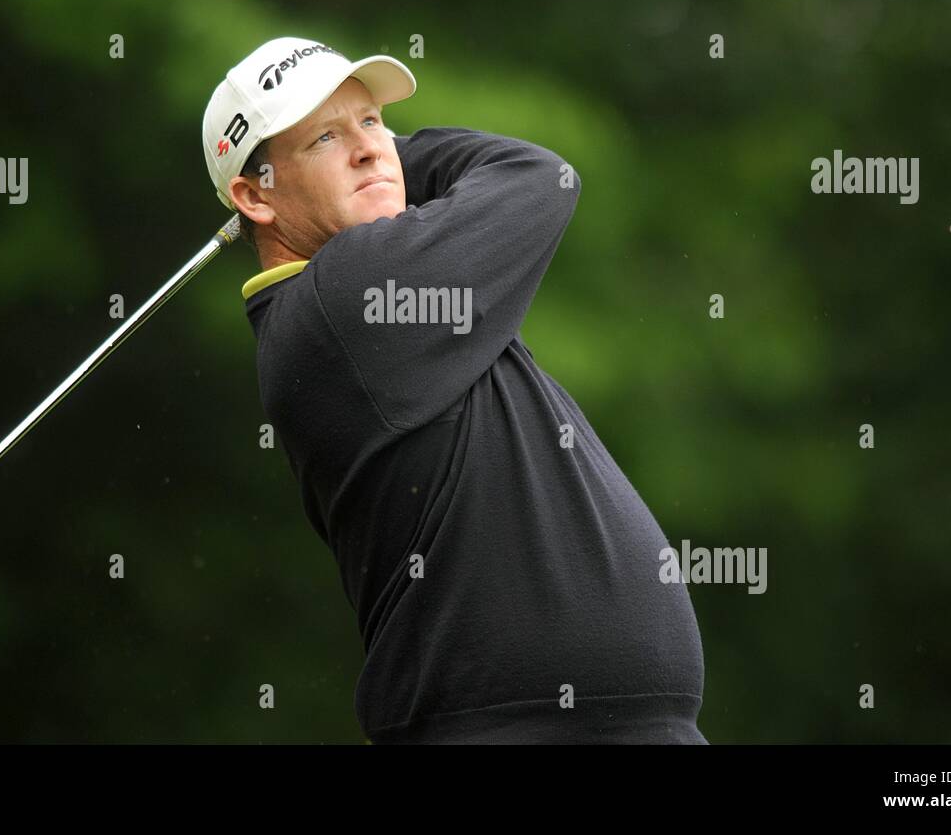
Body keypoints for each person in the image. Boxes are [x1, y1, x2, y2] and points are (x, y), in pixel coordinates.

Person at [202, 36, 708, 744]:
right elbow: (537, 176)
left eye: (374, 121)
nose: (371, 148)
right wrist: (389, 163)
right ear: (255, 196)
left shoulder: (391, 295)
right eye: (323, 135)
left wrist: (358, 157)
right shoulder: (349, 300)